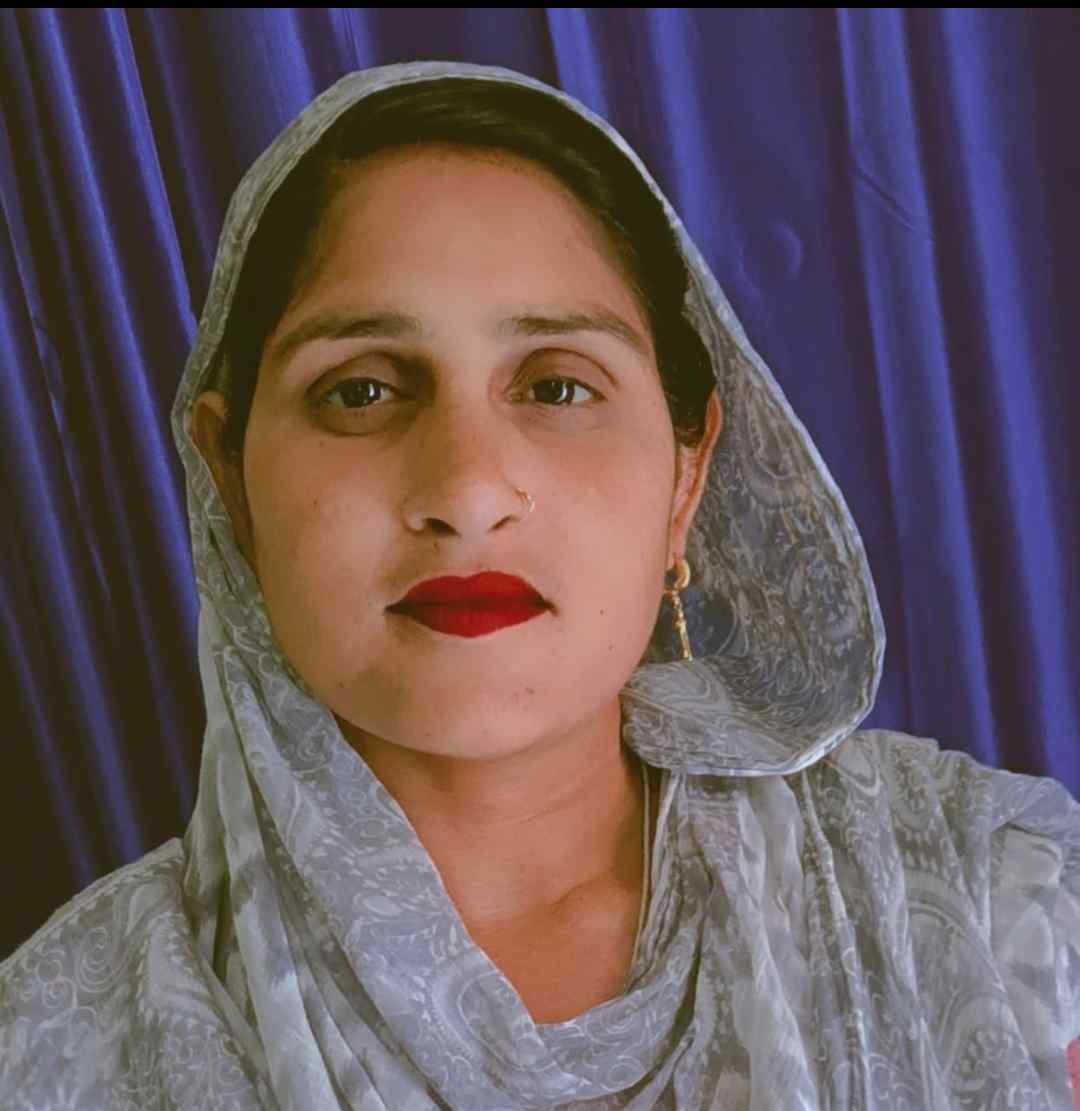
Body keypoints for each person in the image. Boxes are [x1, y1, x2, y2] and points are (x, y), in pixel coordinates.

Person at [2, 59, 1078, 1110]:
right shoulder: (60, 1045)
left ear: (686, 477)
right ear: (230, 477)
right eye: (362, 390)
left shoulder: (1000, 907)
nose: (467, 491)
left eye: (559, 386)